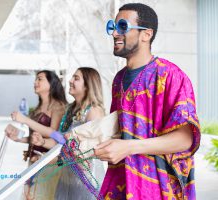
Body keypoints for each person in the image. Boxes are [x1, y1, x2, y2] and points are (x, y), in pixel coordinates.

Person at [94, 3, 201, 200]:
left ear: (146, 34)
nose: (115, 33)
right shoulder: (119, 79)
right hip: (121, 184)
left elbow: (185, 139)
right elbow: (120, 131)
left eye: (123, 27)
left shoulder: (171, 76)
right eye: (113, 27)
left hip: (157, 188)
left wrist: (128, 147)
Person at [11, 67, 106, 200]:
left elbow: (89, 151)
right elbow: (60, 141)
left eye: (76, 78)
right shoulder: (70, 110)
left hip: (86, 180)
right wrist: (42, 142)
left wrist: (49, 160)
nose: (71, 81)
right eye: (72, 77)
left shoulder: (94, 111)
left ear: (88, 85)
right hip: (66, 178)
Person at [5, 70, 67, 200]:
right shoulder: (37, 108)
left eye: (40, 79)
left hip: (49, 164)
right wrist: (18, 138)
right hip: (33, 162)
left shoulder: (58, 107)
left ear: (52, 83)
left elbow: (53, 137)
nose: (35, 82)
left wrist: (25, 120)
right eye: (35, 79)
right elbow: (35, 138)